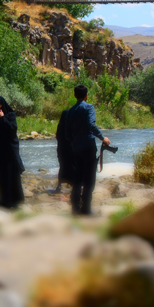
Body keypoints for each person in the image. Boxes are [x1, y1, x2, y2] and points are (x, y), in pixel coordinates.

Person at [65, 85, 110, 216]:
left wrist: (73, 142)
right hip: (89, 147)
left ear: (75, 96)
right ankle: (86, 208)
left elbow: (67, 133)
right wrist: (103, 138)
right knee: (89, 177)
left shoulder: (70, 111)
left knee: (78, 176)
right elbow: (91, 124)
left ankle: (75, 207)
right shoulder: (89, 107)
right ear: (86, 96)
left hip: (76, 148)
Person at [54, 109, 73, 194]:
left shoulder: (60, 126)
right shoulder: (70, 126)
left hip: (61, 150)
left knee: (62, 167)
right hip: (70, 151)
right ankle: (72, 185)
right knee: (72, 167)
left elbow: (57, 137)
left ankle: (59, 186)